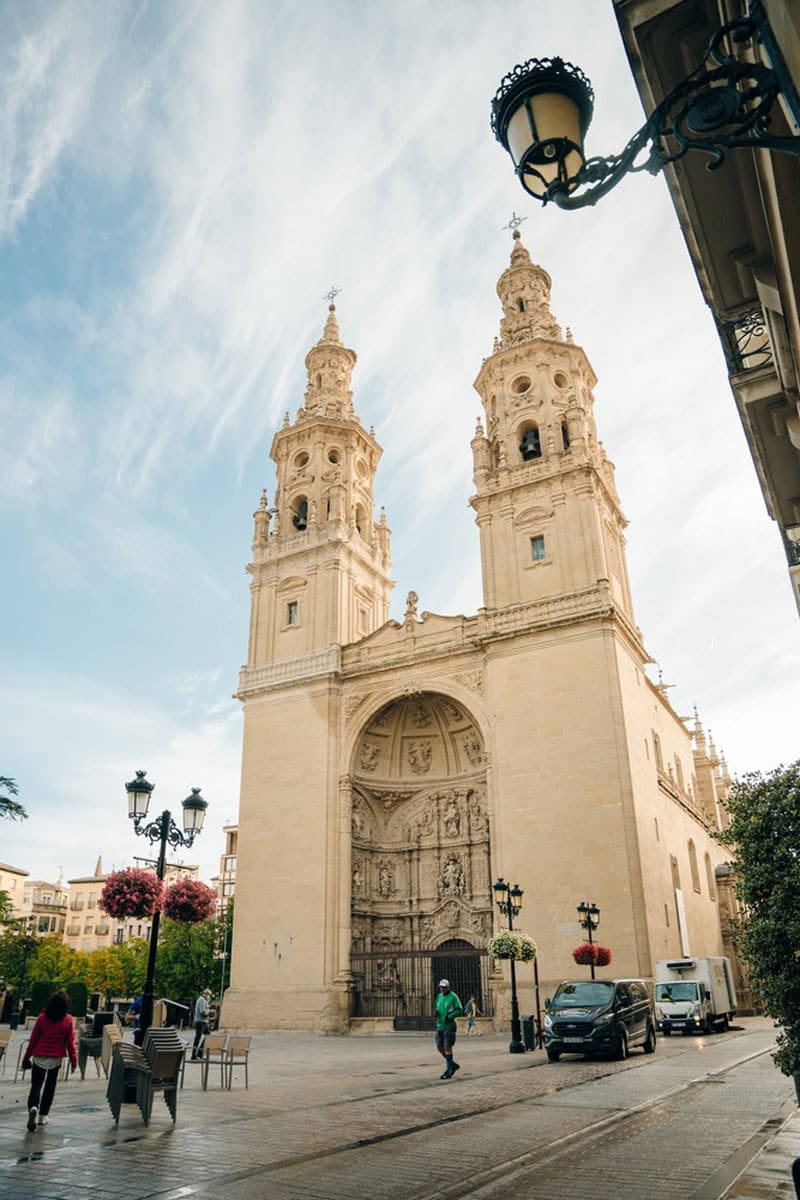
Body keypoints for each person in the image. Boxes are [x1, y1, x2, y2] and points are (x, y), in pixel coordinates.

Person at [22, 990, 78, 1131]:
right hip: (56, 1058)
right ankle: (43, 1116)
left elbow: (33, 1039)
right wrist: (74, 1061)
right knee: (50, 1087)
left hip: (40, 1055)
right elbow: (70, 1043)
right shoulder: (68, 1020)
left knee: (36, 1084)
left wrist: (26, 1057)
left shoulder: (42, 1018)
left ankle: (33, 1106)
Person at [435, 978, 463, 1079]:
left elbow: (459, 1010)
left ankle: (449, 1070)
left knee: (448, 1047)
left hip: (449, 1026)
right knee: (439, 1047)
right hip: (440, 1025)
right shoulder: (439, 997)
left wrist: (449, 1016)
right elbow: (437, 1006)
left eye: (444, 987)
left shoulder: (453, 997)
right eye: (441, 987)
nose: (442, 989)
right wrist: (437, 1012)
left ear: (448, 987)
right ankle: (452, 1064)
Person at [191, 988, 212, 1060]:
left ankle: (200, 1052)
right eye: (208, 995)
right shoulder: (202, 1000)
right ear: (205, 994)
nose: (208, 996)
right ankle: (194, 1055)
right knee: (198, 1038)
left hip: (204, 1022)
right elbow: (202, 1011)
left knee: (208, 1036)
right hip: (201, 1022)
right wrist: (209, 1012)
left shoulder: (203, 1000)